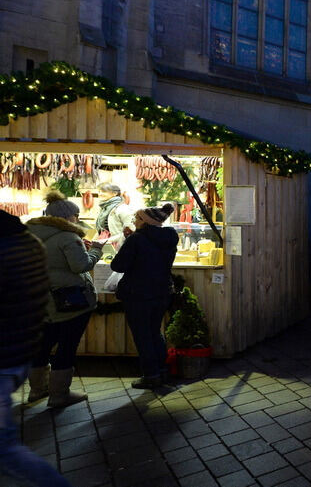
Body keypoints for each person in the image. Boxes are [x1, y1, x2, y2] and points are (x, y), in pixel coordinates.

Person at [0, 209, 73, 486]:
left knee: (5, 450)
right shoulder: (27, 242)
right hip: (17, 351)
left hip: (5, 355)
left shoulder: (8, 248)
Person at [25, 190, 102, 408]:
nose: (76, 219)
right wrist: (96, 251)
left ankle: (37, 390)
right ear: (68, 217)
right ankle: (59, 395)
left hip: (39, 299)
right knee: (67, 345)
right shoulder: (68, 236)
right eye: (75, 216)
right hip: (70, 300)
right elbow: (81, 266)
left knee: (42, 345)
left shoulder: (30, 234)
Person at [112, 204, 179, 389]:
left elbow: (118, 266)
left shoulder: (136, 239)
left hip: (138, 293)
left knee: (143, 335)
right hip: (162, 292)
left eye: (137, 218)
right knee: (154, 332)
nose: (134, 221)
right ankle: (162, 371)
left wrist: (127, 244)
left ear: (146, 222)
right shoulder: (170, 237)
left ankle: (151, 375)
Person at [94, 183, 132, 250]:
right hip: (105, 244)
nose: (100, 194)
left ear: (114, 193)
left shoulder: (122, 208)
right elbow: (102, 229)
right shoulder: (104, 208)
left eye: (104, 191)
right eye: (99, 191)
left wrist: (110, 240)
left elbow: (131, 231)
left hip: (119, 245)